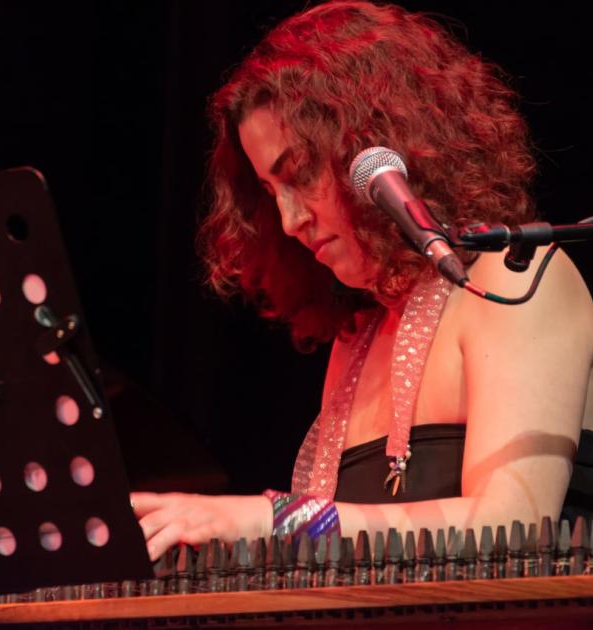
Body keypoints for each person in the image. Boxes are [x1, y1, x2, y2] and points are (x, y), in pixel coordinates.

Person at [132, 1, 593, 561]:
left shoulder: (519, 279)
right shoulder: (360, 334)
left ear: (379, 146)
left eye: (298, 174)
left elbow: (512, 524)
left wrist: (266, 518)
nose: (289, 220)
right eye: (270, 192)